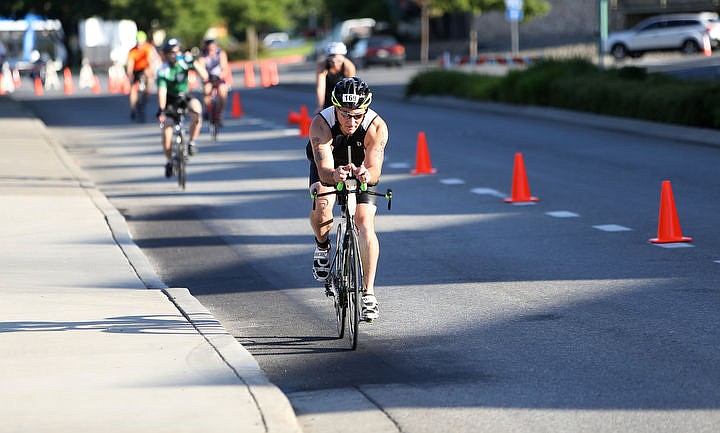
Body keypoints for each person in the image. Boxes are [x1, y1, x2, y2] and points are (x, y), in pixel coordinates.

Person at [307, 77, 388, 321]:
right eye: (345, 114)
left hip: (361, 164)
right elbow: (323, 171)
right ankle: (322, 247)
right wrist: (334, 175)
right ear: (335, 108)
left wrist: (367, 173)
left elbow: (375, 169)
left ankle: (368, 294)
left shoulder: (376, 126)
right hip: (330, 162)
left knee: (365, 224)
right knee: (322, 202)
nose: (351, 121)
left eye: (357, 115)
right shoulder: (321, 123)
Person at [156, 38, 208, 178]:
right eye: (171, 53)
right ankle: (169, 160)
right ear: (166, 55)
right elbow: (162, 91)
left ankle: (192, 141)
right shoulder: (163, 70)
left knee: (197, 110)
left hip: (184, 96)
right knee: (167, 131)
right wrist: (162, 109)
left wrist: (194, 62)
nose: (174, 55)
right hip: (170, 101)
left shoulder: (184, 63)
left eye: (176, 52)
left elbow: (204, 75)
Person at [315, 42, 356, 114]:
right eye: (332, 61)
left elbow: (351, 88)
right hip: (328, 95)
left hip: (342, 95)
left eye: (339, 60)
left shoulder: (349, 67)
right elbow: (320, 88)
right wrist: (320, 106)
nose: (335, 64)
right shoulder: (322, 66)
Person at [126, 30, 158, 119]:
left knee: (148, 75)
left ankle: (147, 92)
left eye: (141, 43)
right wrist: (130, 75)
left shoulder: (148, 48)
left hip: (145, 68)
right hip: (136, 70)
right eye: (138, 43)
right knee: (133, 88)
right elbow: (130, 65)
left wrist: (152, 72)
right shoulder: (132, 51)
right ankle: (133, 109)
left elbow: (150, 60)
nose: (139, 45)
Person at [199, 39, 230, 126]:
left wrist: (220, 75)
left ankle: (219, 114)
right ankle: (208, 110)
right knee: (206, 90)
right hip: (208, 77)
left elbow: (224, 66)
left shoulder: (220, 53)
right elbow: (201, 66)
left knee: (223, 92)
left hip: (219, 77)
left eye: (213, 47)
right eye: (209, 47)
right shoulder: (203, 54)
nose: (211, 49)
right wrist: (205, 77)